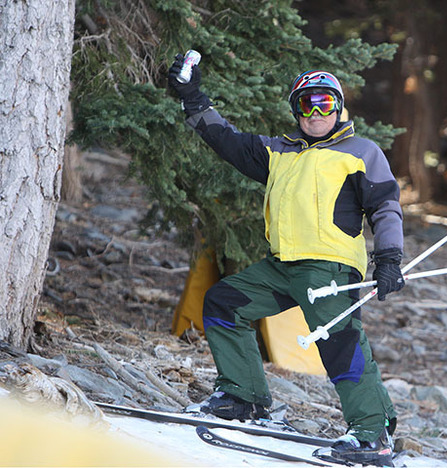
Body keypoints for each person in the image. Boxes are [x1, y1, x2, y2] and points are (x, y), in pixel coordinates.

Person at [168, 54, 405, 467]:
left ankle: (371, 433)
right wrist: (192, 97)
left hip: (329, 269)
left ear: (339, 107)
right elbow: (227, 139)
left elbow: (385, 207)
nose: (316, 113)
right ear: (296, 110)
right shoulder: (278, 152)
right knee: (224, 303)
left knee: (340, 344)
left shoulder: (361, 152)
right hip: (280, 267)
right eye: (307, 104)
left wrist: (389, 258)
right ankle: (244, 397)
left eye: (326, 103)